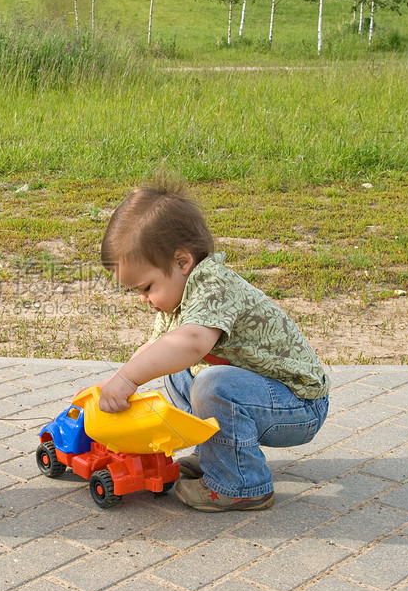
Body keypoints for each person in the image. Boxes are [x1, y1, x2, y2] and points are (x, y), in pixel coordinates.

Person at [93, 174, 330, 512]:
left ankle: (243, 485)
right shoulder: (179, 297)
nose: (143, 298)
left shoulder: (213, 285)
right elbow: (157, 350)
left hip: (298, 403)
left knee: (212, 383)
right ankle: (214, 456)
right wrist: (119, 381)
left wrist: (128, 379)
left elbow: (190, 343)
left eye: (146, 287)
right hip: (260, 395)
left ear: (182, 262)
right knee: (176, 370)